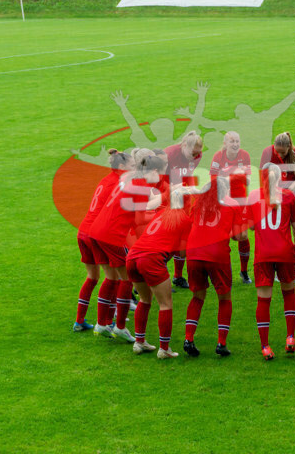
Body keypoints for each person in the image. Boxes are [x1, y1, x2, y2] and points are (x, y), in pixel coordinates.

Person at [88, 150, 168, 342]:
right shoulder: (140, 186)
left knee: (111, 277)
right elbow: (140, 219)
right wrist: (160, 216)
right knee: (128, 279)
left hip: (97, 230)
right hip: (111, 235)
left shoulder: (129, 179)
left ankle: (102, 323)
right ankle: (120, 326)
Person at [125, 184, 194, 359]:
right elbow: (183, 252)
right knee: (165, 304)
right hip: (151, 258)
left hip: (133, 256)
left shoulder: (160, 213)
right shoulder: (185, 220)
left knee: (144, 299)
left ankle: (139, 342)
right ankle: (164, 349)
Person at [181, 177, 245, 357]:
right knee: (224, 298)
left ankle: (188, 338)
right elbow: (240, 236)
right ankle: (221, 343)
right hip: (217, 253)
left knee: (197, 297)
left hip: (194, 253)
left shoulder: (198, 203)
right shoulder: (231, 204)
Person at [247, 164, 295, 361]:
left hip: (263, 254)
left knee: (264, 300)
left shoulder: (253, 196)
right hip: (285, 252)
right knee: (289, 293)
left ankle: (265, 346)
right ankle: (290, 337)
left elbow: (252, 228)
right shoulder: (288, 196)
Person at [73, 149, 131, 332]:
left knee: (93, 277)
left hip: (83, 230)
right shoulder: (118, 183)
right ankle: (106, 322)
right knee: (113, 278)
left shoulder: (106, 179)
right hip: (96, 234)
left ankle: (80, 321)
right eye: (131, 165)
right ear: (121, 166)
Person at [261, 132, 295, 282]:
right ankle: (278, 266)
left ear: (289, 147)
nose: (279, 154)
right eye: (277, 151)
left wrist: (285, 194)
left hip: (293, 195)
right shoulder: (267, 153)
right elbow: (264, 179)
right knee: (278, 230)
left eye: (283, 152)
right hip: (275, 196)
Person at [210, 131, 252, 284]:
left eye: (237, 141)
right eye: (232, 141)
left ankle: (244, 271)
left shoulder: (244, 155)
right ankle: (223, 272)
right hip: (223, 200)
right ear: (225, 143)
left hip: (240, 201)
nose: (235, 144)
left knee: (243, 236)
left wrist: (228, 175)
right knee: (224, 237)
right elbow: (213, 179)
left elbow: (247, 181)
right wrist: (236, 174)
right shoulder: (218, 157)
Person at [165, 131, 204, 290]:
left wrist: (194, 193)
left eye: (196, 153)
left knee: (183, 240)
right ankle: (154, 278)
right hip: (166, 198)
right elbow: (157, 181)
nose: (194, 156)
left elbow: (188, 174)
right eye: (192, 153)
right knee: (166, 241)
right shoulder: (168, 155)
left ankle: (178, 276)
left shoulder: (196, 155)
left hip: (183, 197)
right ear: (184, 146)